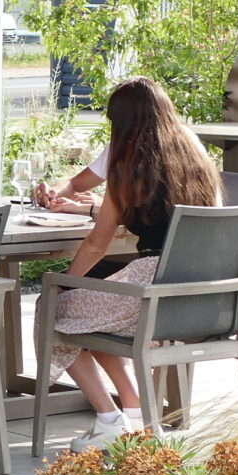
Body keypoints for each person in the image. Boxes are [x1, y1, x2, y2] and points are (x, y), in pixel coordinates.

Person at [42, 77, 222, 450]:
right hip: (204, 290)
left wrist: (64, 283)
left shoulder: (129, 167)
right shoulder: (195, 152)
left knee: (53, 308)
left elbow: (95, 244)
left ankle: (109, 419)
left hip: (152, 288)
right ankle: (137, 414)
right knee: (94, 315)